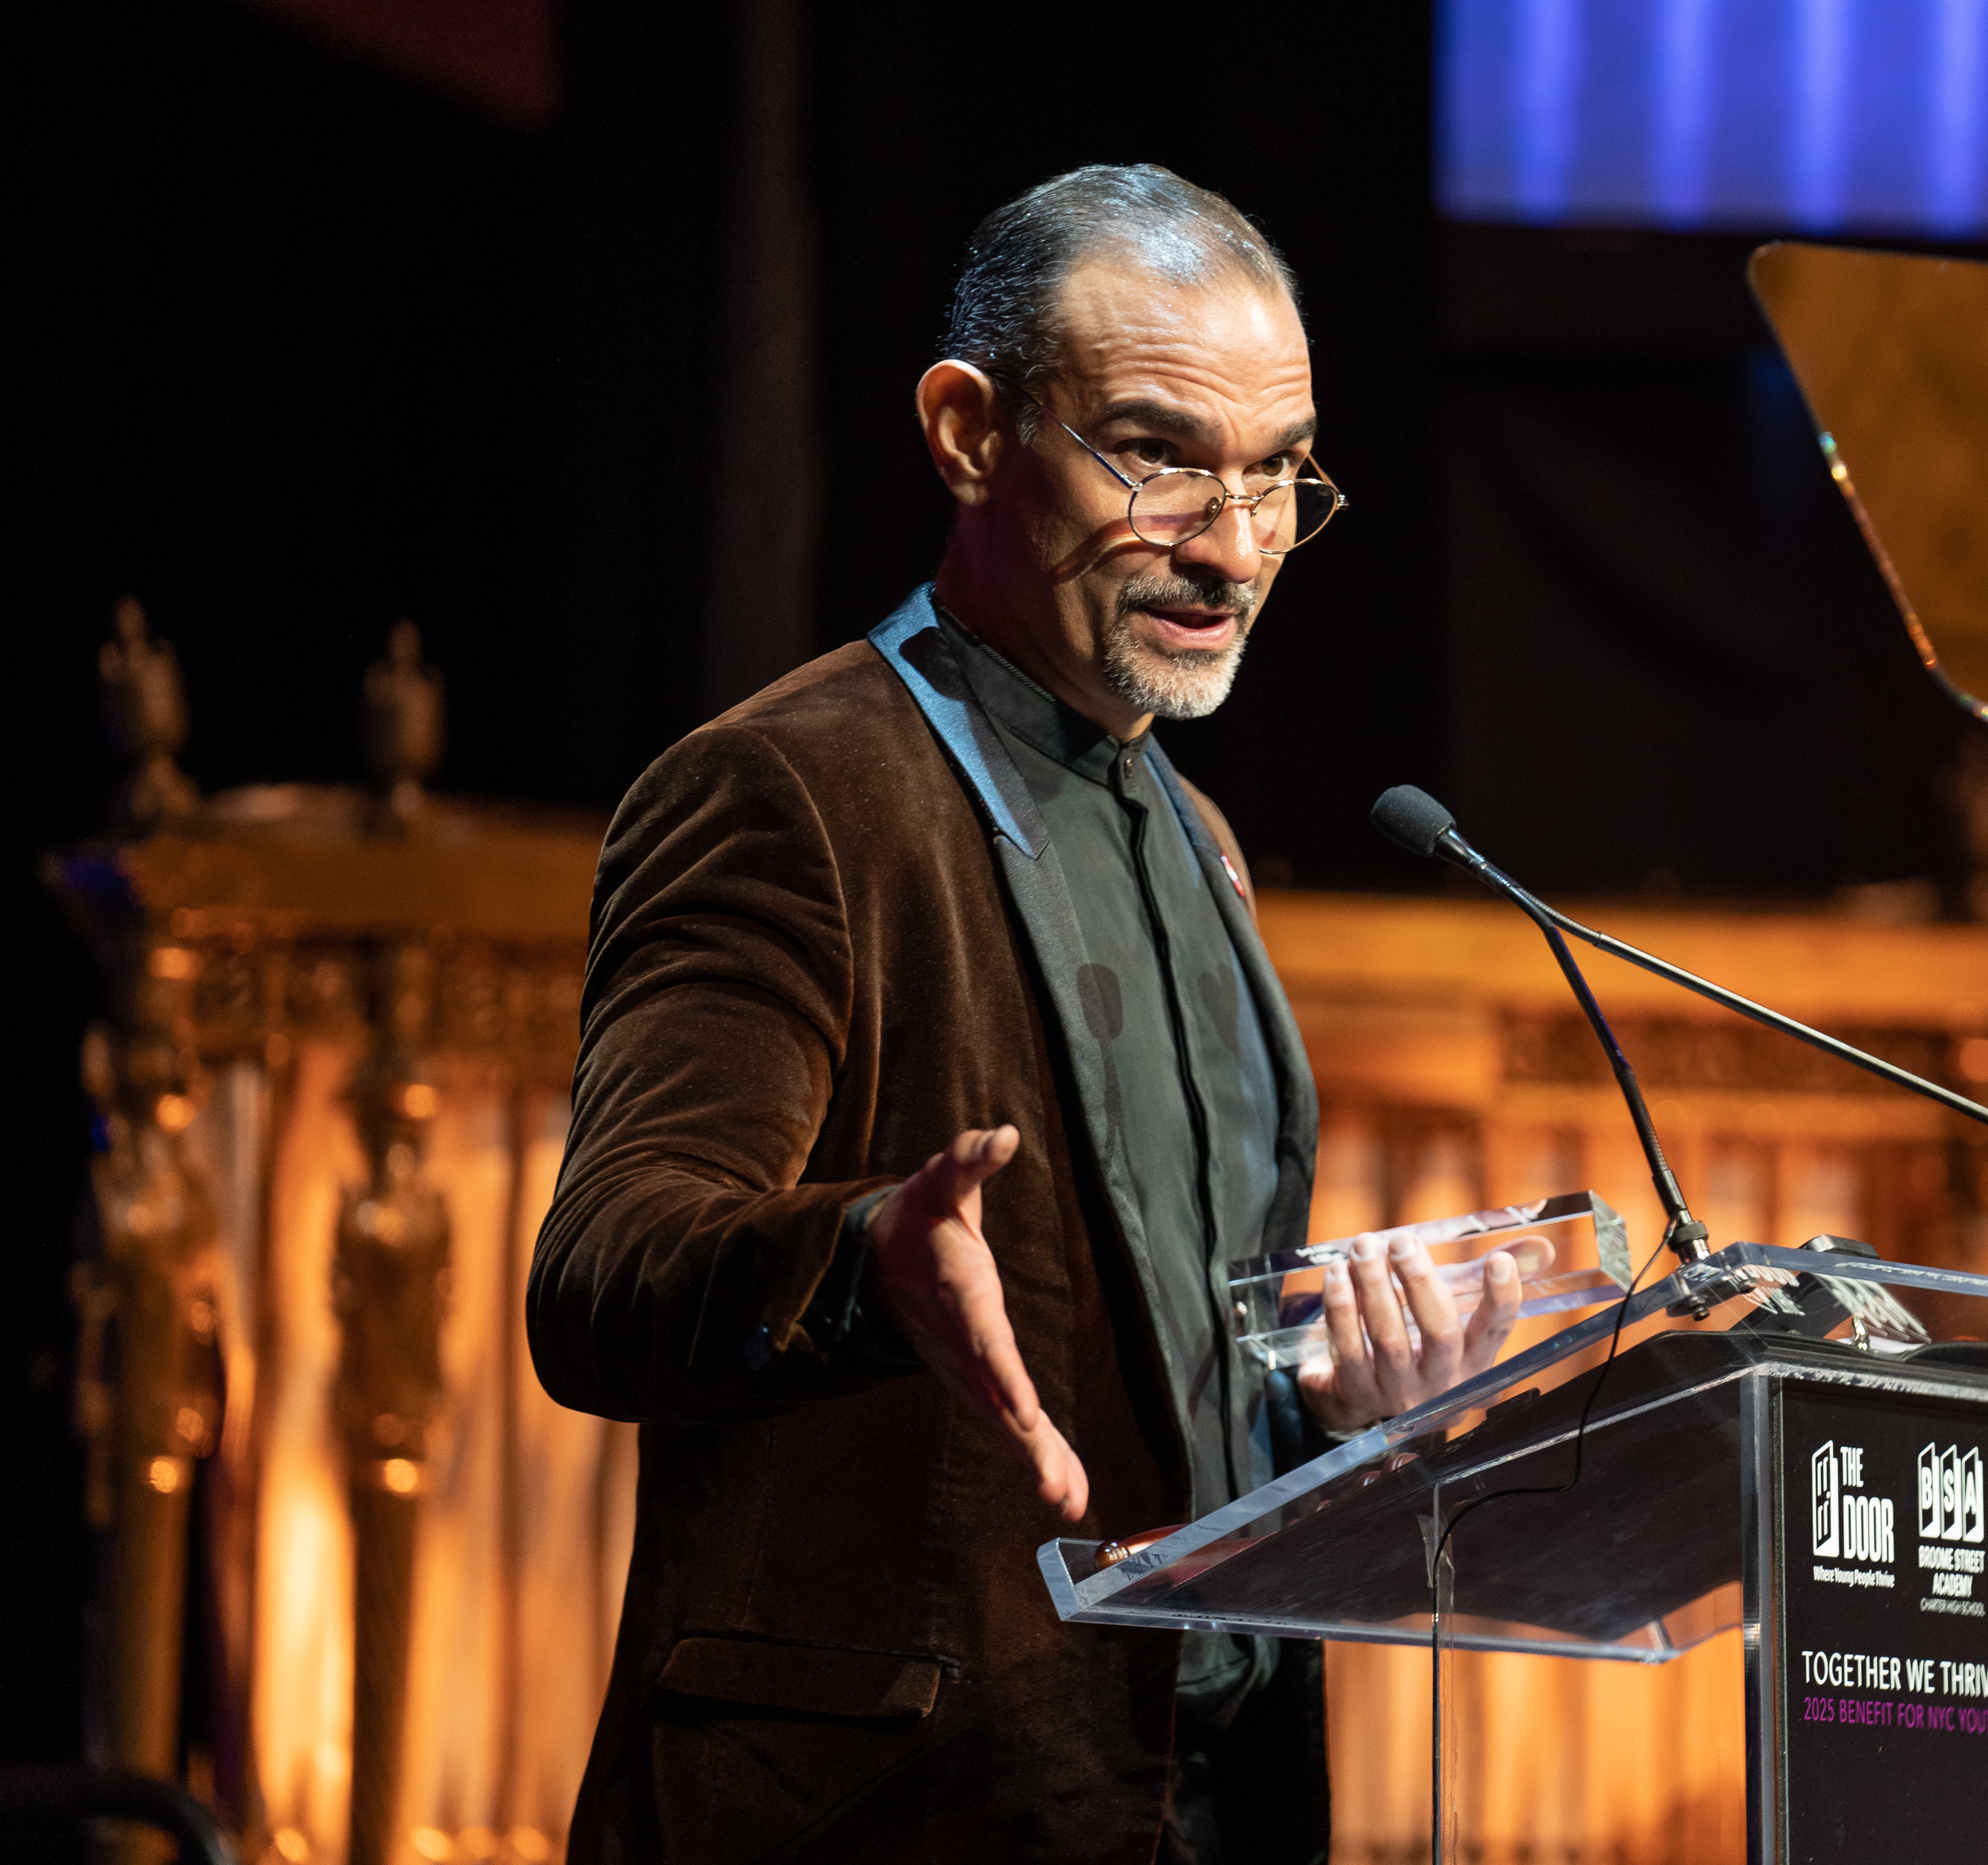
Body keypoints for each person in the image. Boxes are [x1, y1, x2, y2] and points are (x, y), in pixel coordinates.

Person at [527, 165, 1529, 1865]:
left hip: (1192, 1812)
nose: (1233, 544)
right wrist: (862, 1261)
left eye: (1279, 472)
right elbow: (603, 1276)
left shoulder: (1197, 840)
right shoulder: (788, 788)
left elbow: (1177, 1366)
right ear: (969, 430)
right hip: (892, 1813)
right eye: (1158, 455)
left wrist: (1341, 1399)